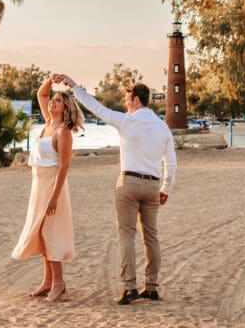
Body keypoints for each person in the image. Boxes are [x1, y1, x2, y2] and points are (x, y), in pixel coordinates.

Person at [53, 73, 177, 305]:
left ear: (137, 100)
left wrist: (74, 85)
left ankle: (130, 286)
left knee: (127, 234)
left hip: (128, 183)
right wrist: (165, 188)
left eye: (128, 100)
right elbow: (171, 162)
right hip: (152, 185)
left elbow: (96, 108)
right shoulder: (163, 127)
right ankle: (151, 287)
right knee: (151, 236)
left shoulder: (126, 121)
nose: (125, 104)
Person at [12, 75, 84, 302]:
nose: (52, 102)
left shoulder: (63, 132)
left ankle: (59, 283)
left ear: (66, 108)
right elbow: (40, 94)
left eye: (58, 101)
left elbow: (64, 166)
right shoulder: (47, 123)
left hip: (53, 187)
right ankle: (47, 281)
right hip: (38, 184)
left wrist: (54, 198)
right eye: (53, 100)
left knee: (50, 233)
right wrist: (49, 79)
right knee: (41, 233)